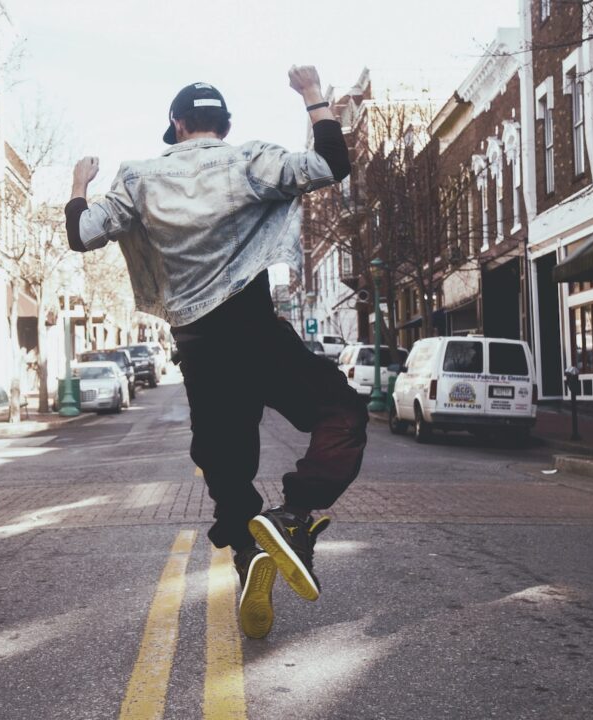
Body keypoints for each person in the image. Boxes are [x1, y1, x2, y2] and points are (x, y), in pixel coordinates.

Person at [65, 66, 369, 638]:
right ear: (223, 125)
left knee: (229, 476)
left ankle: (251, 554)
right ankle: (294, 515)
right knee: (343, 414)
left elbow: (81, 235)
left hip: (200, 350)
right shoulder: (250, 160)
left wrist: (81, 183)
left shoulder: (139, 178)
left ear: (177, 125)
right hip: (256, 331)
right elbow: (332, 163)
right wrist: (312, 96)